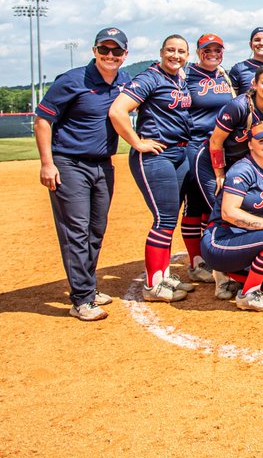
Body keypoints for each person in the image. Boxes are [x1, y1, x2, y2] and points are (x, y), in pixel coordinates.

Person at [34, 27, 130, 321]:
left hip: (102, 164)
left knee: (95, 231)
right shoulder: (72, 80)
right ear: (94, 51)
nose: (110, 55)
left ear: (125, 55)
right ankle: (81, 299)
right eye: (105, 49)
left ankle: (87, 286)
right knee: (76, 231)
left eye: (116, 51)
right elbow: (42, 121)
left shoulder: (124, 81)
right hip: (69, 163)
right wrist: (47, 163)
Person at [108, 34, 195, 302]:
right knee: (164, 219)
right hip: (157, 155)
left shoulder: (179, 78)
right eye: (170, 50)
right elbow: (117, 111)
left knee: (170, 217)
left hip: (179, 152)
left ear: (187, 55)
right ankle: (153, 284)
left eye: (181, 51)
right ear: (161, 52)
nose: (175, 56)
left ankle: (163, 274)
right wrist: (137, 142)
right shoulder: (150, 77)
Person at [195, 64, 263, 297]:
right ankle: (221, 273)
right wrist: (220, 174)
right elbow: (216, 142)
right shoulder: (239, 105)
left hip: (252, 158)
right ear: (255, 84)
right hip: (216, 160)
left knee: (254, 209)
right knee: (221, 212)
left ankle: (243, 261)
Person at [199, 122, 263, 312]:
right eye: (262, 141)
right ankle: (248, 294)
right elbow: (229, 212)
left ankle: (231, 274)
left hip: (245, 243)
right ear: (250, 144)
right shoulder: (243, 169)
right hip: (221, 240)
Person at [179, 33, 235, 285]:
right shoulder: (186, 75)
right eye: (207, 49)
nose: (212, 53)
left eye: (217, 49)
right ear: (198, 51)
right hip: (196, 145)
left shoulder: (224, 75)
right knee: (202, 203)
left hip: (221, 146)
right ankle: (198, 261)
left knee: (206, 204)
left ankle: (207, 257)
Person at [228, 27, 263, 93]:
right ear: (250, 44)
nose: (261, 43)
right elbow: (232, 98)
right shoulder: (239, 69)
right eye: (257, 40)